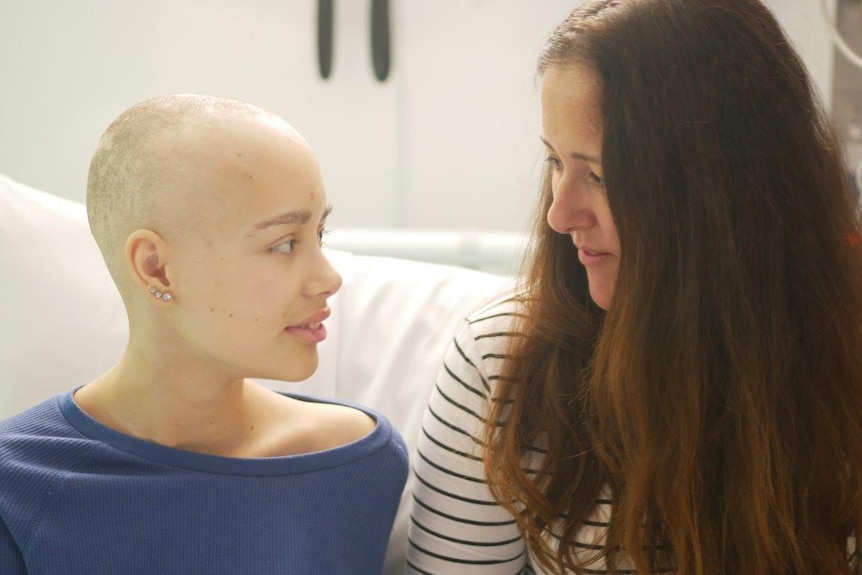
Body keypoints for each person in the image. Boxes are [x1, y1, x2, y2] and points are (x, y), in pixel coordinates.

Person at [406, 0, 862, 574]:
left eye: (599, 174)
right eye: (554, 161)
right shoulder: (500, 364)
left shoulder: (842, 369)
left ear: (719, 192)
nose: (559, 213)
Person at [0, 94, 408, 574]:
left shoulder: (356, 465)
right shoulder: (17, 484)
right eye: (282, 244)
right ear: (157, 268)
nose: (329, 278)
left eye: (320, 234)